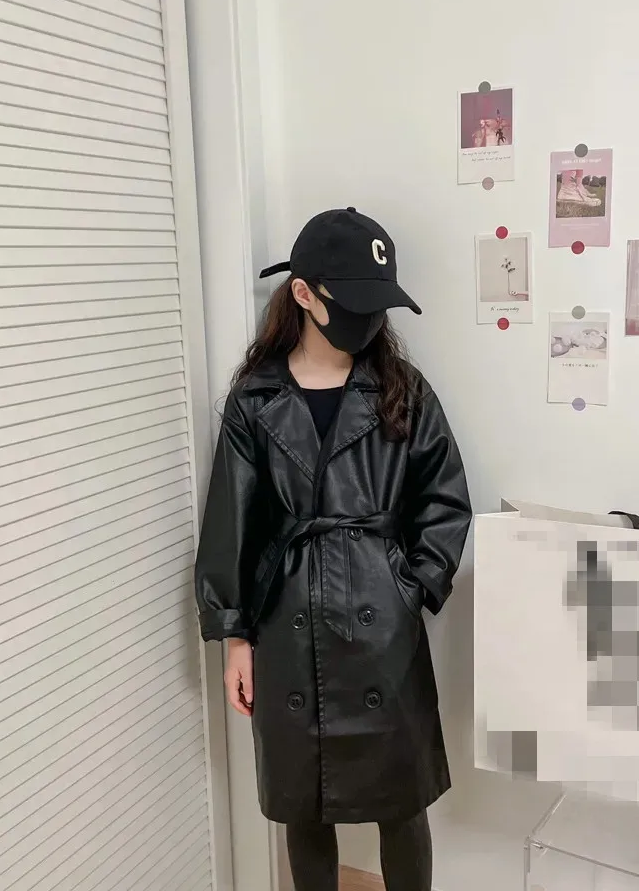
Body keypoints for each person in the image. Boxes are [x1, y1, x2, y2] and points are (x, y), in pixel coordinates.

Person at [194, 208, 472, 891]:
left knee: (401, 802)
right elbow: (232, 522)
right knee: (303, 802)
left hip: (383, 626)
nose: (368, 319)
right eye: (353, 303)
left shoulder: (402, 389)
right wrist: (235, 639)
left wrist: (410, 586)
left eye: (378, 304)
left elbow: (445, 501)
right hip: (287, 623)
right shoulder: (256, 398)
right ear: (303, 294)